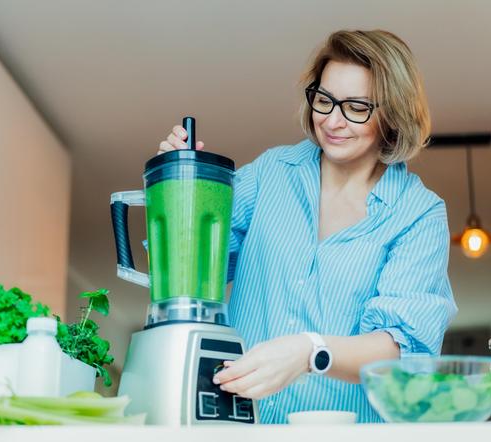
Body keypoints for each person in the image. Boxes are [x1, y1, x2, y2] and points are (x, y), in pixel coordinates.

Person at [157, 29, 457, 423]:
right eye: (325, 100)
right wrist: (183, 189)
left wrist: (309, 351)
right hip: (241, 424)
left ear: (393, 114)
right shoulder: (270, 173)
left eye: (356, 107)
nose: (333, 120)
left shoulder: (418, 214)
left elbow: (400, 349)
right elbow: (191, 268)